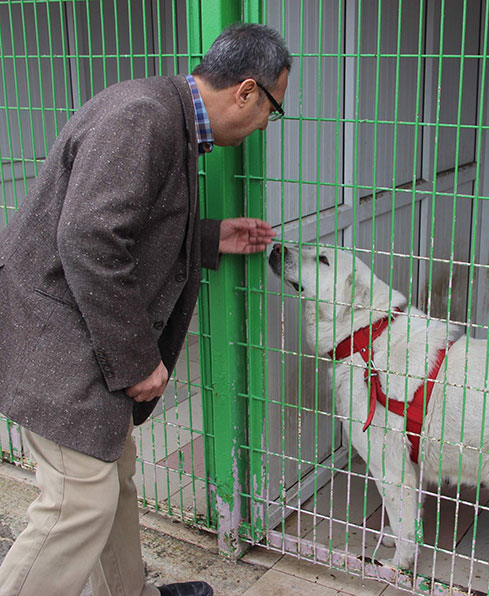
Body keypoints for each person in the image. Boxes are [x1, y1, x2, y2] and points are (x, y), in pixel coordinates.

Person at [0, 23, 291, 596]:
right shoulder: (147, 118)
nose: (264, 126)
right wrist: (137, 362)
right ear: (247, 91)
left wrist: (207, 237)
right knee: (78, 502)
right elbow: (89, 239)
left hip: (71, 335)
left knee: (115, 480)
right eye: (271, 111)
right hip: (55, 345)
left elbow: (127, 223)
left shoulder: (165, 113)